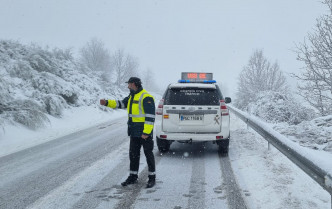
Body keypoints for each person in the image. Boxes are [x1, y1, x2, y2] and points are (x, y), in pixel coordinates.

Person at [100, 77, 156, 188]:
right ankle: (133, 177)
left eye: (129, 84)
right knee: (133, 155)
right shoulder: (132, 96)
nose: (128, 86)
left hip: (144, 133)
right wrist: (106, 103)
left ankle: (152, 178)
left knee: (148, 155)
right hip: (134, 132)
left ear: (134, 84)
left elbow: (150, 117)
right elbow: (121, 104)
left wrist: (146, 132)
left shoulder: (146, 97)